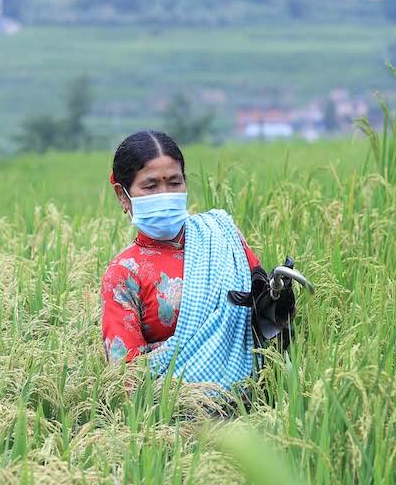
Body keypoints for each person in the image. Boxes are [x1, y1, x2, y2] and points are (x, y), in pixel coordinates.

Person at [100, 130, 294, 389]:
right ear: (123, 195)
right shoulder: (123, 274)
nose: (165, 194)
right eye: (150, 185)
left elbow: (262, 314)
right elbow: (127, 375)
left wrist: (275, 302)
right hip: (174, 414)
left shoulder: (220, 235)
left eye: (174, 182)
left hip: (251, 401)